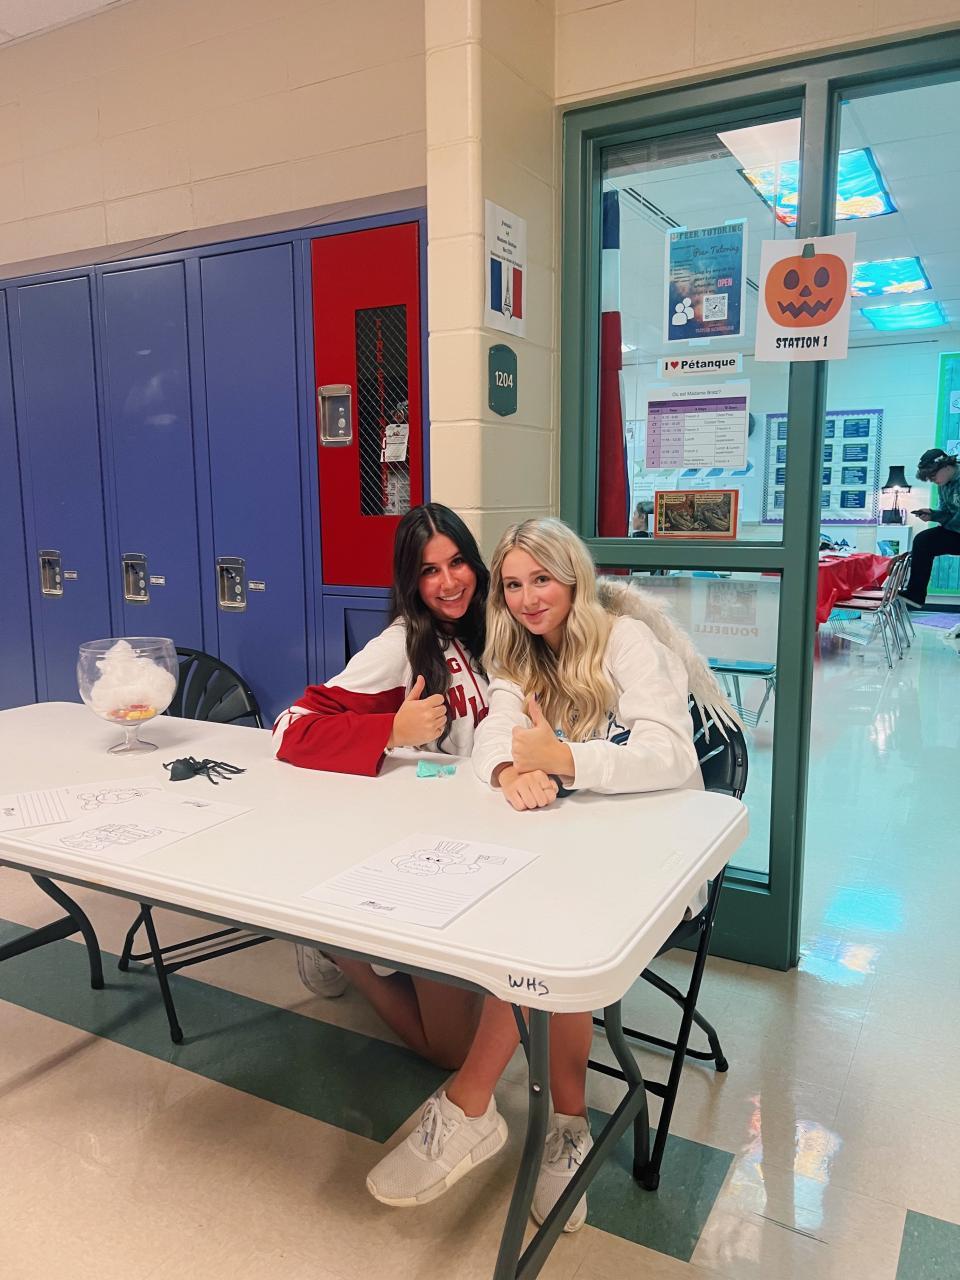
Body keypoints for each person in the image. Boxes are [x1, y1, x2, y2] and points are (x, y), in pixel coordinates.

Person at [366, 517, 736, 1228]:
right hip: (575, 857)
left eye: (542, 579)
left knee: (553, 933)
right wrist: (509, 769)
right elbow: (494, 735)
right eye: (513, 585)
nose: (528, 598)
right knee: (545, 920)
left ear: (573, 576)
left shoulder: (625, 640)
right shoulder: (519, 652)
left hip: (654, 861)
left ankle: (472, 1105)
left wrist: (565, 760)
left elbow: (671, 755)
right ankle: (567, 1129)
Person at [272, 503, 490, 1068]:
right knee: (451, 1051)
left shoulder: (488, 629)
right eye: (429, 571)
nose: (448, 582)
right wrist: (391, 729)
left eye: (457, 562)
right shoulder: (399, 647)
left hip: (489, 840)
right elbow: (291, 727)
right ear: (410, 582)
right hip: (432, 855)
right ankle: (338, 950)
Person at [902, 449, 960, 609]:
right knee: (923, 541)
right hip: (956, 531)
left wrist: (942, 519)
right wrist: (933, 515)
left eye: (933, 475)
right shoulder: (943, 484)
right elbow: (947, 513)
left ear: (947, 466)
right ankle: (915, 594)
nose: (931, 480)